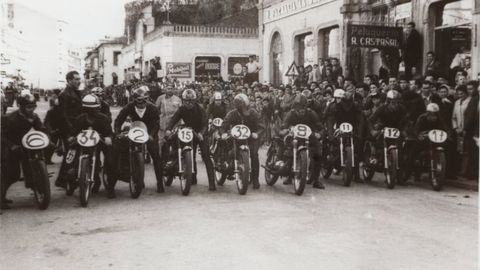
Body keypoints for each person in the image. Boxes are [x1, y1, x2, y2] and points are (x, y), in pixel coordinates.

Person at [1, 92, 48, 209]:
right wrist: (12, 146)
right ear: (21, 107)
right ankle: (0, 198)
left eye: (33, 106)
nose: (31, 110)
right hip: (10, 146)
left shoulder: (34, 117)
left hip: (25, 145)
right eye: (28, 107)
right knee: (11, 174)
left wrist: (48, 139)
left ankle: (38, 185)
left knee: (32, 166)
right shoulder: (9, 118)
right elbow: (2, 136)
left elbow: (42, 129)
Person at [114, 86, 164, 195]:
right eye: (139, 101)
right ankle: (137, 177)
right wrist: (118, 133)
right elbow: (118, 120)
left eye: (145, 100)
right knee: (127, 150)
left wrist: (151, 135)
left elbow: (156, 124)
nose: (142, 104)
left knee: (156, 156)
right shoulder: (129, 107)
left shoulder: (153, 108)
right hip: (135, 131)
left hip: (149, 132)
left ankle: (160, 182)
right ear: (134, 101)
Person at [166, 89, 216, 191]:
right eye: (186, 101)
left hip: (201, 133)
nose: (188, 103)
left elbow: (205, 123)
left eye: (191, 101)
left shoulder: (200, 109)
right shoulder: (182, 109)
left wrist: (201, 133)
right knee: (190, 155)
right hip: (190, 132)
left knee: (206, 157)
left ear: (195, 101)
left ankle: (212, 183)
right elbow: (174, 119)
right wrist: (168, 129)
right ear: (183, 101)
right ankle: (192, 178)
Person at [69, 94, 114, 196]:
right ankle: (72, 182)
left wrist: (109, 138)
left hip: (101, 141)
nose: (91, 111)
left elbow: (109, 132)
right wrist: (72, 137)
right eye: (88, 109)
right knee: (72, 161)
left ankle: (111, 187)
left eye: (93, 109)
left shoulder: (103, 118)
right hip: (85, 143)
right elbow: (74, 131)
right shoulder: (80, 118)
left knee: (110, 161)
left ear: (98, 108)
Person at [281, 95, 325, 189]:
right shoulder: (291, 113)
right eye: (298, 107)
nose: (300, 109)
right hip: (295, 135)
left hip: (309, 136)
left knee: (318, 153)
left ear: (306, 106)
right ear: (294, 107)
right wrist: (285, 129)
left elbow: (320, 127)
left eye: (302, 107)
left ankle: (316, 180)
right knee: (288, 150)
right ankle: (289, 175)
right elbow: (284, 125)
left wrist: (320, 134)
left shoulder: (311, 113)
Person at [221, 93, 263, 189]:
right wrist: (223, 133)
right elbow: (224, 125)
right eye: (243, 107)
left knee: (254, 155)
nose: (246, 108)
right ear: (238, 107)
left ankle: (255, 179)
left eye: (246, 105)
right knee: (229, 149)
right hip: (236, 137)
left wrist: (257, 133)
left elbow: (261, 125)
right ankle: (228, 165)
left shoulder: (253, 112)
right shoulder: (232, 114)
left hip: (251, 137)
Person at [55, 71, 83, 188]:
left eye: (79, 79)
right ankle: (62, 180)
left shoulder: (75, 92)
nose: (78, 81)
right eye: (76, 79)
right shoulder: (65, 94)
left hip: (76, 127)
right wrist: (71, 131)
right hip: (68, 129)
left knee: (73, 154)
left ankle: (68, 178)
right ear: (69, 80)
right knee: (70, 154)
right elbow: (63, 115)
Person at [155, 83, 182, 152]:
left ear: (174, 89)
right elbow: (155, 109)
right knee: (161, 141)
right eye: (168, 88)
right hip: (163, 123)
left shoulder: (178, 99)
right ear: (165, 89)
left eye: (171, 88)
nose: (170, 90)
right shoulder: (160, 98)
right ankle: (161, 158)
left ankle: (174, 158)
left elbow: (181, 111)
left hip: (174, 124)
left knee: (174, 140)